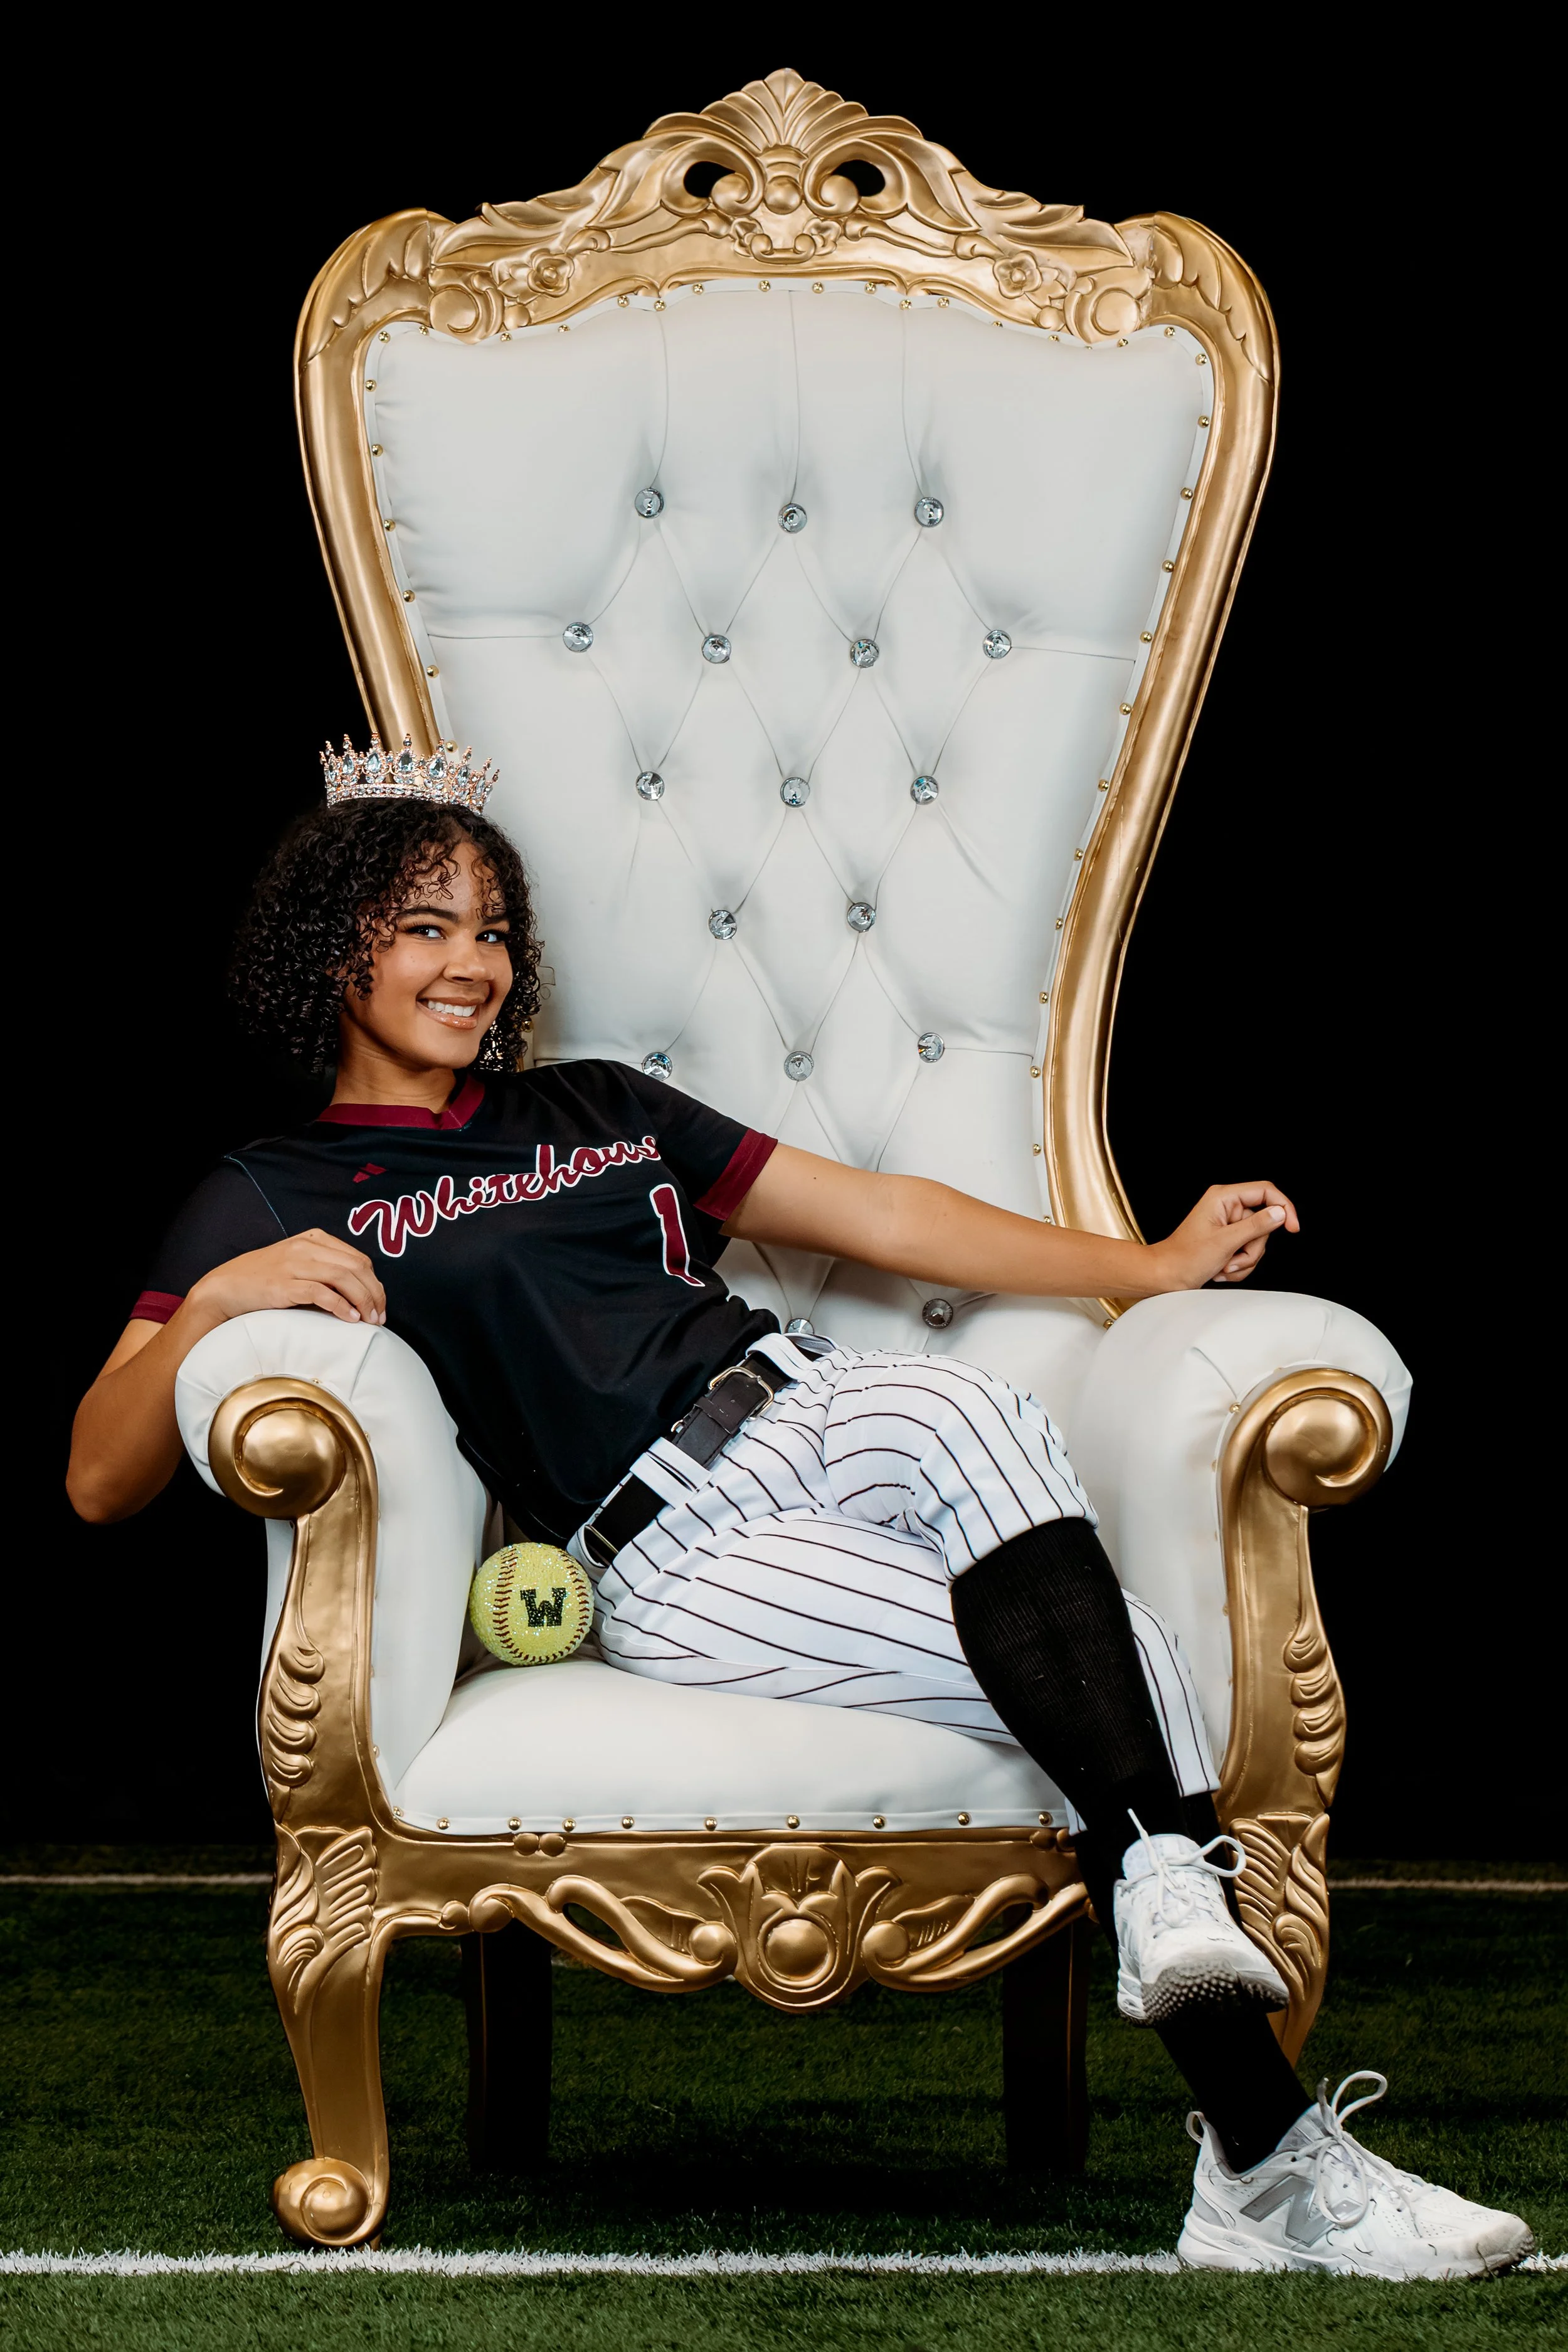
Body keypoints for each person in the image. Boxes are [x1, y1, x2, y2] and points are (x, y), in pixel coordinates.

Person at [68, 743, 1532, 2280]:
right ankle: (1264, 2164)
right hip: (660, 1548)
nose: (471, 964)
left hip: (811, 1403)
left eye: (492, 928)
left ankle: (1176, 1923)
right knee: (1142, 1675)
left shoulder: (596, 1105)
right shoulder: (273, 1183)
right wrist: (212, 1309)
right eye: (422, 923)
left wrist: (1150, 1267)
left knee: (972, 1408)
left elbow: (883, 1218)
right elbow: (101, 1477)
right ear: (334, 940)